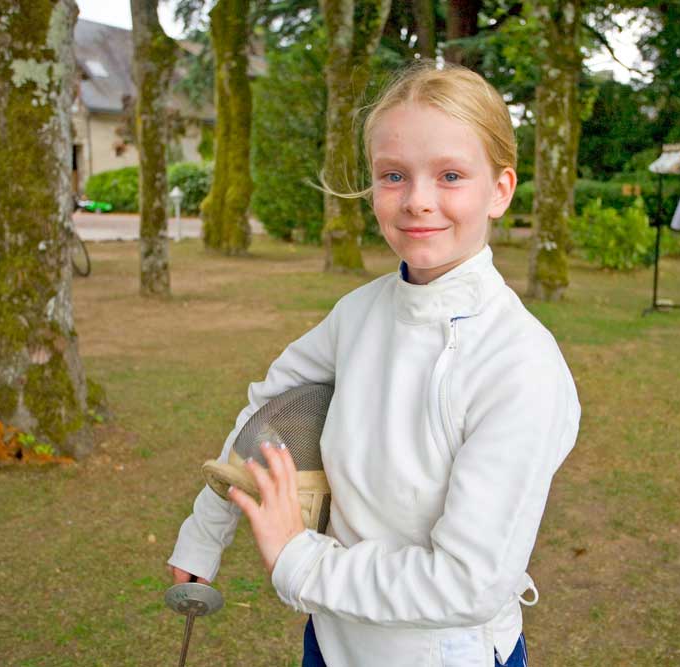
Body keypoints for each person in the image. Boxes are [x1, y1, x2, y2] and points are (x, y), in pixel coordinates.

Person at [168, 62, 581, 667]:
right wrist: (204, 537)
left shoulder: (522, 365)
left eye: (450, 175)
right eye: (394, 175)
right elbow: (267, 414)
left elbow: (467, 583)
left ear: (500, 190)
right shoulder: (357, 315)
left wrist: (297, 560)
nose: (418, 201)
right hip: (332, 641)